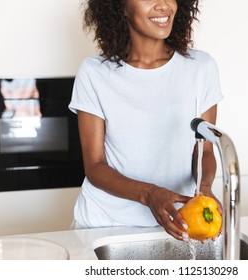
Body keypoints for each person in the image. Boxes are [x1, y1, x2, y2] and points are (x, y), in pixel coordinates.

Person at [69, 0, 223, 241]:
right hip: (105, 224)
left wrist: (204, 189)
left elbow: (204, 151)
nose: (163, 5)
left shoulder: (201, 68)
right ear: (119, 7)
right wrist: (149, 194)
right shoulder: (94, 73)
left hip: (178, 222)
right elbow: (95, 166)